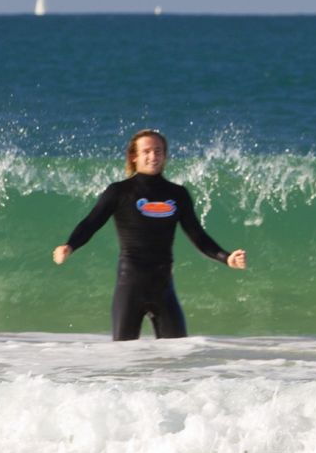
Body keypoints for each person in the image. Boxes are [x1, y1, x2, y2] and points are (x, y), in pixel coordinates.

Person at [52, 129, 247, 341]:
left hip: (163, 288)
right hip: (130, 286)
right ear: (134, 156)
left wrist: (226, 258)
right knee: (123, 357)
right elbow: (92, 222)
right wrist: (70, 246)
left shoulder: (177, 194)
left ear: (164, 155)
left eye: (158, 151)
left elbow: (197, 235)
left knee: (178, 354)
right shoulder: (119, 191)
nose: (153, 156)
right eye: (147, 151)